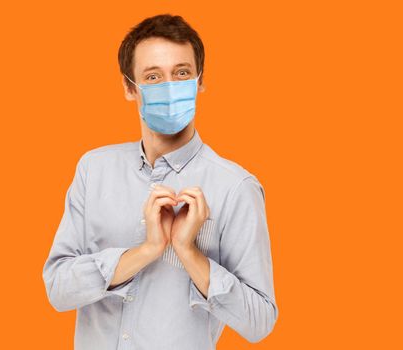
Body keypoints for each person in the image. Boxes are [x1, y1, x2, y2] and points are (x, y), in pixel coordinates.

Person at [42, 13, 278, 350]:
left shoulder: (236, 187)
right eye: (152, 77)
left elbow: (259, 322)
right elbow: (58, 290)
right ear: (129, 87)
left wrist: (187, 251)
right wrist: (146, 251)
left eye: (181, 73)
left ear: (199, 81)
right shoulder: (94, 169)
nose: (169, 87)